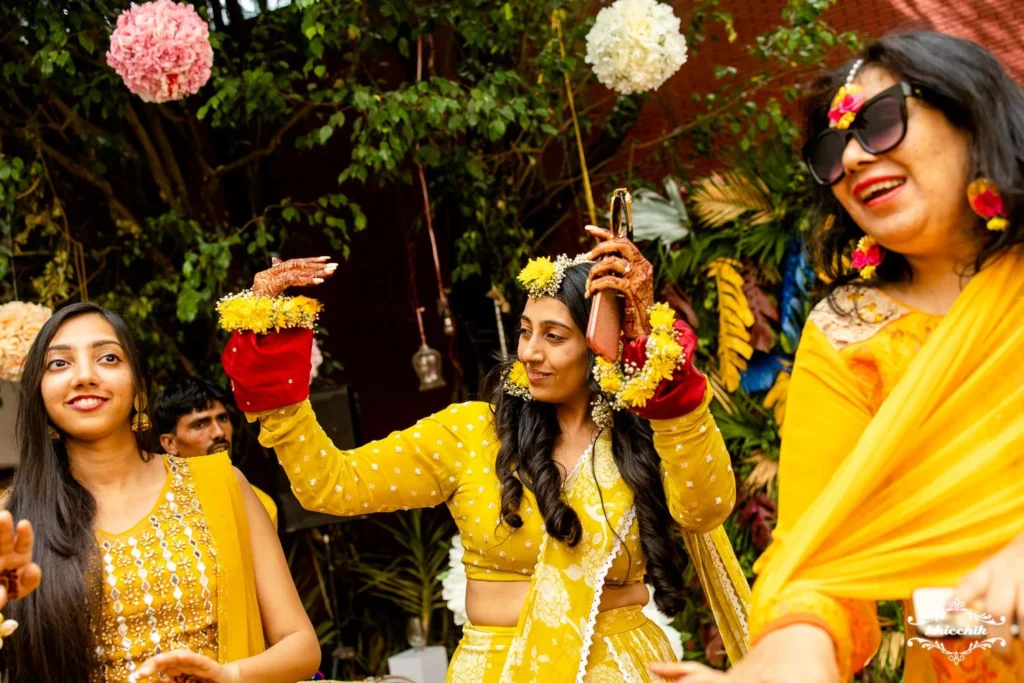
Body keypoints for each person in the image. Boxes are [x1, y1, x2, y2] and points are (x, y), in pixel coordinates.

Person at [650, 31, 1024, 683]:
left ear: (971, 112)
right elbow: (818, 560)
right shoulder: (851, 334)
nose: (850, 157)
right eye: (829, 151)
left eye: (878, 122)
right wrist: (789, 660)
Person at [218, 246, 752, 682]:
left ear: (601, 345)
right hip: (495, 669)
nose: (530, 352)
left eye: (554, 336)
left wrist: (664, 384)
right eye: (525, 330)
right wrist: (271, 348)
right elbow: (330, 485)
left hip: (618, 666)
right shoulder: (473, 433)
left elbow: (705, 510)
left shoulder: (643, 434)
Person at [0, 302, 321, 683]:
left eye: (107, 358)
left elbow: (300, 643)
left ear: (139, 387)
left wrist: (228, 675)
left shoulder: (220, 483)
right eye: (59, 363)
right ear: (40, 393)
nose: (84, 376)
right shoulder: (15, 524)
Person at [154, 376, 279, 528]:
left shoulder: (260, 505)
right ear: (170, 443)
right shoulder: (150, 504)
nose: (219, 432)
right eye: (200, 424)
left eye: (223, 419)